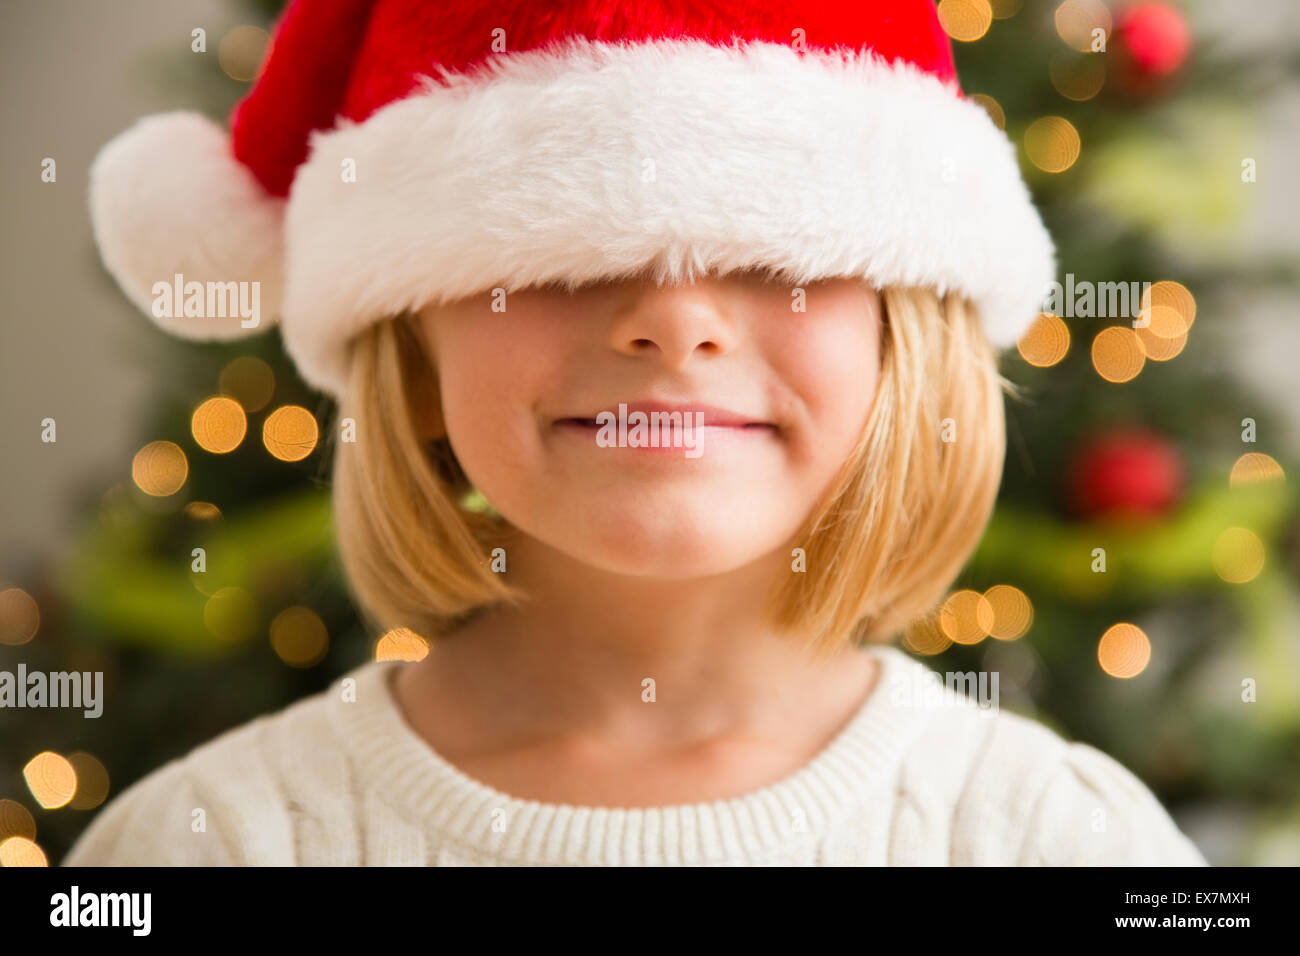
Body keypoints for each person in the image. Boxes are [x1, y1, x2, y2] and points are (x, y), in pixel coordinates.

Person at [66, 0, 1207, 866]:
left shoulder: (1055, 839)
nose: (674, 320)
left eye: (775, 252)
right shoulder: (206, 844)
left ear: (898, 344)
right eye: (568, 250)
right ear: (412, 358)